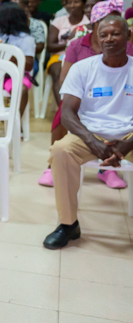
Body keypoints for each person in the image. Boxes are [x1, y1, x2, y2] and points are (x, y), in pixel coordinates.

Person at [43, 14, 133, 249]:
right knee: (62, 150)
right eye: (103, 35)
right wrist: (93, 142)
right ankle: (68, 223)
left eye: (115, 33)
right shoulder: (83, 69)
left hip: (129, 136)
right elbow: (68, 114)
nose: (109, 39)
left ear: (129, 36)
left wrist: (126, 145)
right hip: (90, 134)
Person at [38, 0, 133, 187]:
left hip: (117, 103)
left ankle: (106, 169)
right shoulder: (77, 44)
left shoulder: (126, 46)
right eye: (104, 22)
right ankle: (51, 165)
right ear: (95, 23)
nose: (110, 28)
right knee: (63, 115)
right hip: (83, 99)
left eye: (116, 24)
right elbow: (65, 78)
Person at [0, 2, 35, 118]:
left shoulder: (26, 39)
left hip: (16, 76)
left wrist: (9, 57)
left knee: (21, 89)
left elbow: (29, 65)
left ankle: (15, 123)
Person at [45, 0, 89, 109]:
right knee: (57, 73)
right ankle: (63, 110)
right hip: (59, 55)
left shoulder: (89, 23)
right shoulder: (59, 21)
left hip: (82, 57)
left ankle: (82, 109)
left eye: (76, 2)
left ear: (84, 4)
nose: (72, 5)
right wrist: (70, 46)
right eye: (69, 2)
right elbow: (50, 46)